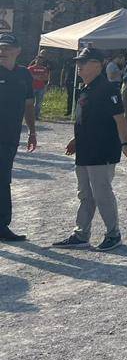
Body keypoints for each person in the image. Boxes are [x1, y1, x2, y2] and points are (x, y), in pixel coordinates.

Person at [52, 46, 127, 251]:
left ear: (97, 65)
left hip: (103, 150)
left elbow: (120, 119)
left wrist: (125, 145)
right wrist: (76, 139)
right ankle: (81, 234)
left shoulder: (108, 89)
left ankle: (113, 234)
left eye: (83, 62)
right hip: (85, 149)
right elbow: (87, 120)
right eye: (78, 62)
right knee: (85, 194)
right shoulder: (85, 88)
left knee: (102, 194)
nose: (78, 66)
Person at [0, 33, 37, 242]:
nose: (2, 51)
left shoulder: (24, 74)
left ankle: (2, 225)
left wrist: (32, 131)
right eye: (0, 47)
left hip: (10, 137)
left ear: (17, 51)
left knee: (3, 180)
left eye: (6, 48)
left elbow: (28, 105)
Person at [27, 52, 51, 121]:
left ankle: (36, 116)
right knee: (30, 103)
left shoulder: (44, 69)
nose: (39, 61)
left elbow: (46, 78)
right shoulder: (30, 68)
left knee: (38, 103)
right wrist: (37, 77)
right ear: (35, 59)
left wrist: (36, 77)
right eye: (38, 59)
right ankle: (28, 115)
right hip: (32, 87)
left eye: (41, 60)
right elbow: (28, 77)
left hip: (41, 87)